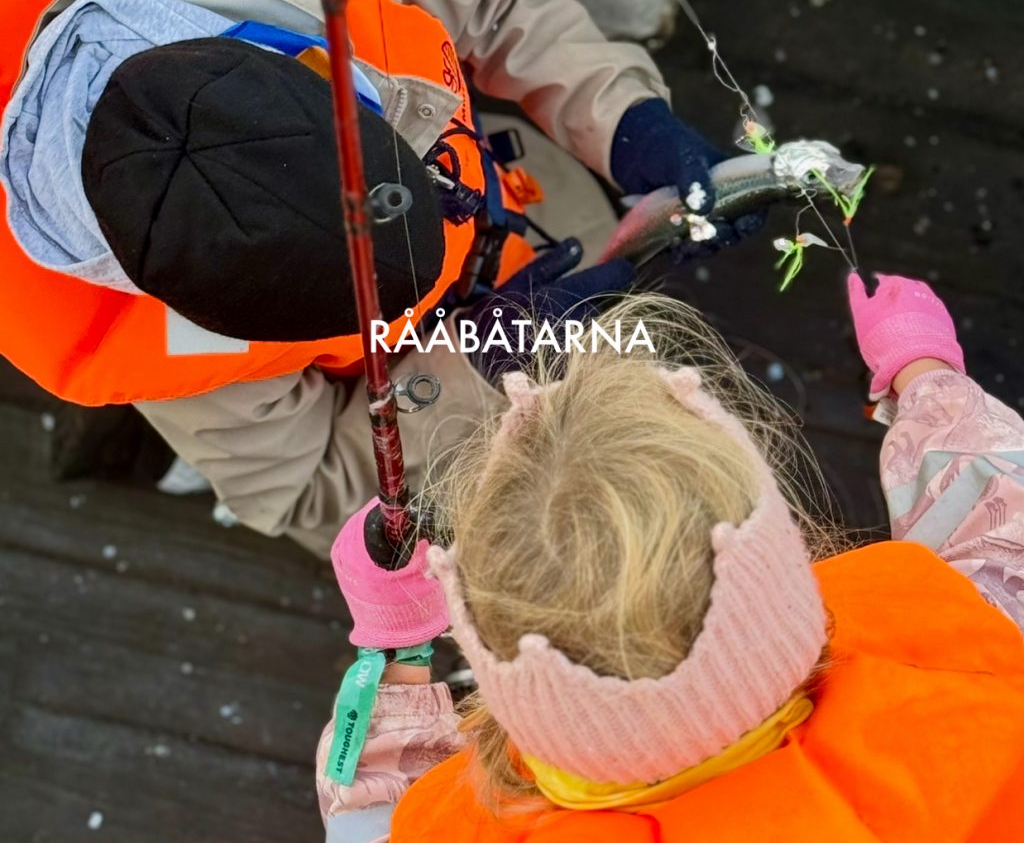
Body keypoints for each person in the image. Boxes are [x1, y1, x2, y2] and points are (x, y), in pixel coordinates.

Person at [0, 0, 761, 556]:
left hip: (526, 210)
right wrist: (477, 366)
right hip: (457, 394)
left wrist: (630, 123)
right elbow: (310, 494)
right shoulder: (172, 351)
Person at [317, 274, 1024, 841]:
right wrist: (927, 375)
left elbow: (368, 825)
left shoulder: (455, 828)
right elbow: (1000, 530)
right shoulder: (972, 692)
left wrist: (394, 652)